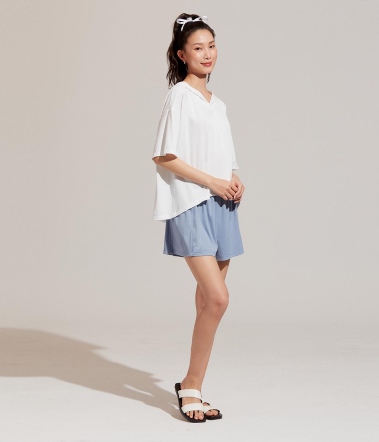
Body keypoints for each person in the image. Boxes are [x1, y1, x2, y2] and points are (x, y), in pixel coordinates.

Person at [151, 13, 245, 423]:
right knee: (219, 299)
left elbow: (223, 155)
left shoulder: (217, 103)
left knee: (209, 301)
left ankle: (195, 386)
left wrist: (234, 179)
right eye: (198, 48)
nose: (207, 54)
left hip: (223, 206)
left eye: (211, 45)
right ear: (182, 55)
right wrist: (212, 182)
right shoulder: (180, 96)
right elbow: (165, 156)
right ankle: (190, 384)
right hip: (191, 204)